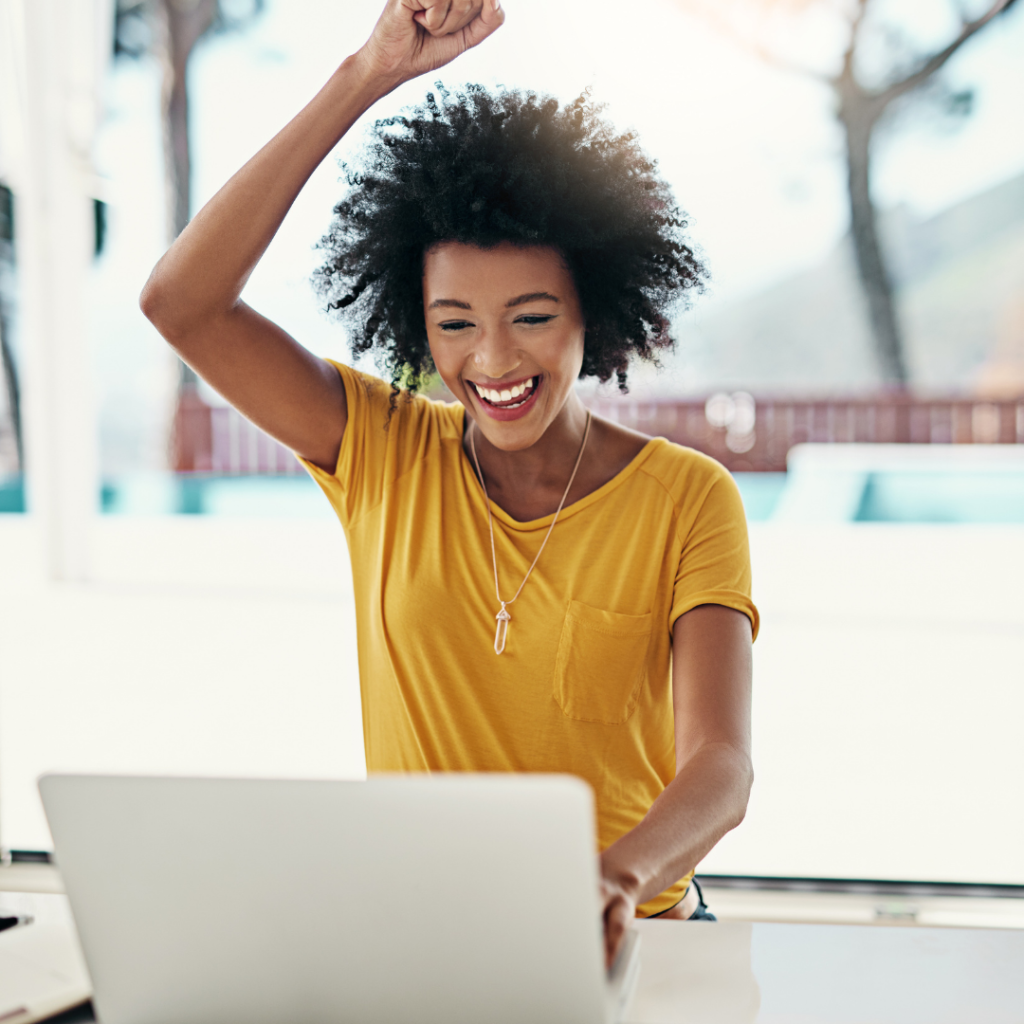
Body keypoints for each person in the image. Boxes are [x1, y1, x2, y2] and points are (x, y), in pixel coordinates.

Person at [140, 0, 757, 967]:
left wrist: (615, 878)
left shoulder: (686, 497)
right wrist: (366, 74)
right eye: (455, 322)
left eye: (532, 315)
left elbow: (719, 765)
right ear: (414, 321)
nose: (493, 359)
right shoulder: (380, 447)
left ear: (594, 306)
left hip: (634, 937)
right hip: (425, 938)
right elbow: (180, 301)